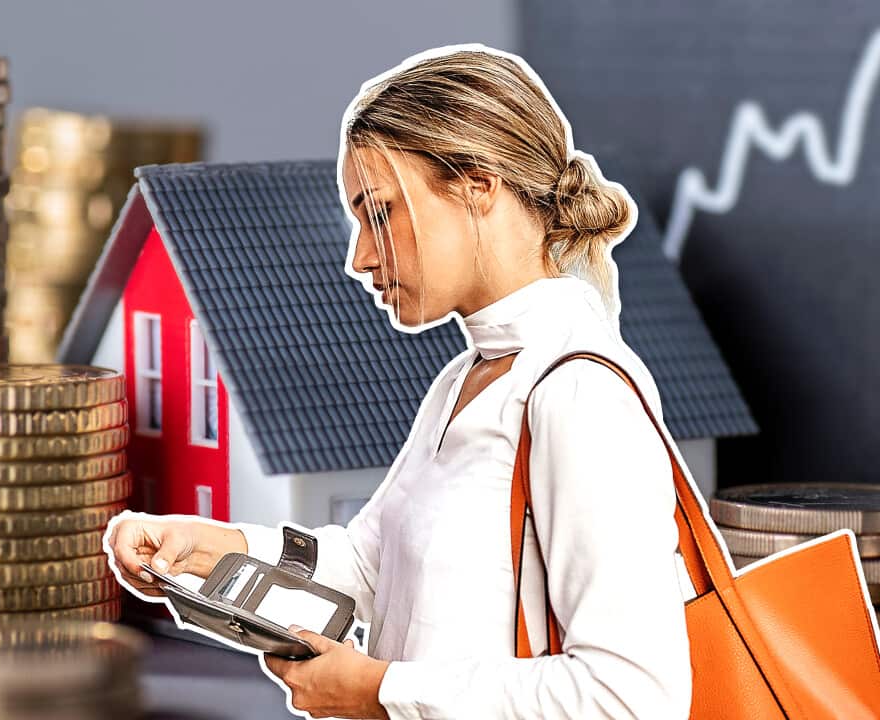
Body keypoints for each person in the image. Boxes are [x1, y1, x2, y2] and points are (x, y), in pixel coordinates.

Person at [106, 43, 695, 720]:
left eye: (379, 212)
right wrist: (208, 550)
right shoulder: (461, 382)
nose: (359, 257)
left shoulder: (579, 394)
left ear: (478, 184)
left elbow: (633, 699)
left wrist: (376, 692)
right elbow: (369, 566)